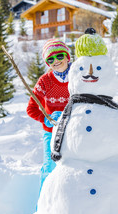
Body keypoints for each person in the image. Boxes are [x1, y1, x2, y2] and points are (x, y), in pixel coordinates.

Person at [26, 39, 72, 197]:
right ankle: (43, 206)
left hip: (74, 130)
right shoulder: (45, 81)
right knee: (49, 167)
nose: (56, 61)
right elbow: (31, 108)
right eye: (50, 59)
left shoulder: (77, 77)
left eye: (59, 56)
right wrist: (45, 119)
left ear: (67, 57)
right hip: (51, 132)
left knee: (74, 165)